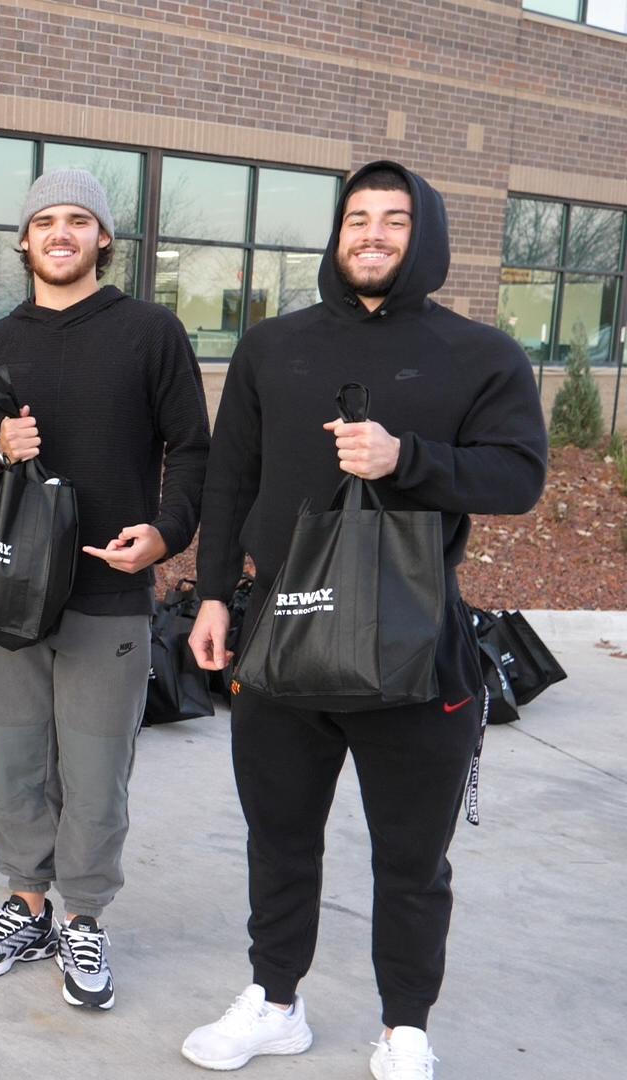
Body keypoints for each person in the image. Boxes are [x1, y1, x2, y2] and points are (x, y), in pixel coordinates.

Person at [179, 162, 547, 1078]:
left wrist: (405, 457)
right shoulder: (273, 346)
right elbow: (230, 477)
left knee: (412, 857)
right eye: (357, 218)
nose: (372, 234)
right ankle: (274, 1003)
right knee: (280, 837)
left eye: (393, 219)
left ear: (422, 236)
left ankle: (405, 1027)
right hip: (283, 629)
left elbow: (518, 476)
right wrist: (215, 593)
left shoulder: (481, 354)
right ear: (336, 236)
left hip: (414, 643)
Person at [0, 169, 209, 1009]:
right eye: (45, 221)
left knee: (96, 771)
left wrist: (166, 535)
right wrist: (1, 449)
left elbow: (193, 449)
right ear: (24, 241)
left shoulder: (149, 331)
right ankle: (26, 903)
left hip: (108, 588)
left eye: (79, 220)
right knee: (14, 760)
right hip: (8, 590)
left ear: (103, 239)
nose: (61, 233)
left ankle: (84, 917)